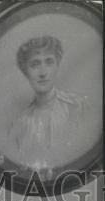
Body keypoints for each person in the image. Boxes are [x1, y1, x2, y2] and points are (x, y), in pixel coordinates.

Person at [7, 36, 94, 172]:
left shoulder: (80, 107)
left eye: (49, 62)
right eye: (35, 64)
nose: (43, 72)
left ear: (57, 65)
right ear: (25, 71)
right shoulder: (19, 125)